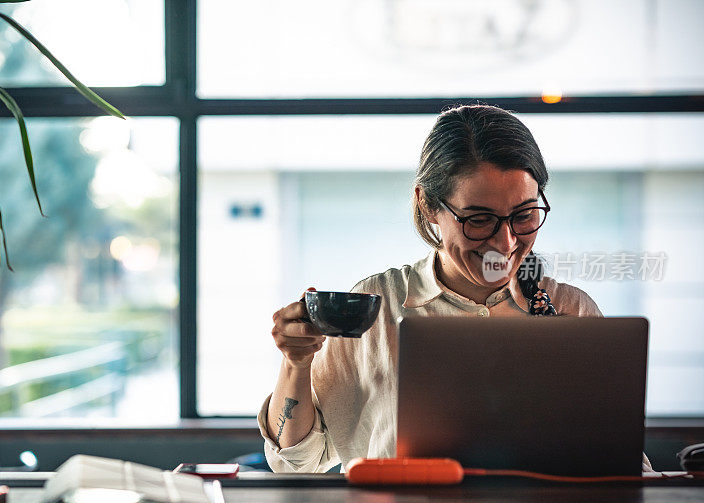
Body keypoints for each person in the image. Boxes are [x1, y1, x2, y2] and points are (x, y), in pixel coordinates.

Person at [258, 104, 652, 473]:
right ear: (429, 205)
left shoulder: (571, 309)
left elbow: (624, 463)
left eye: (524, 215)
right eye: (479, 219)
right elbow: (296, 461)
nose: (506, 243)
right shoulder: (377, 305)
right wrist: (296, 363)